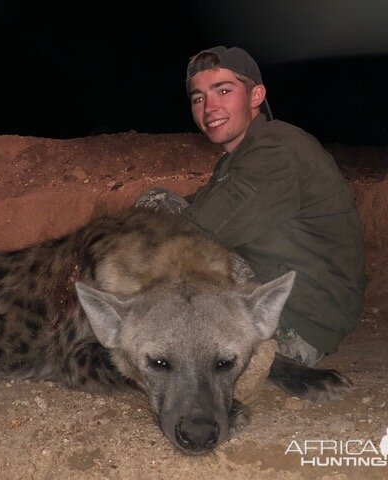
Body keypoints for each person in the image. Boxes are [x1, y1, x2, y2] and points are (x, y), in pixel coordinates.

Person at [137, 46, 365, 366]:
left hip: (294, 328)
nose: (209, 107)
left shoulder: (276, 149)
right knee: (157, 211)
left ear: (256, 95)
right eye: (198, 98)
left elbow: (193, 232)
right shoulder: (241, 157)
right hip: (297, 313)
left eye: (224, 91)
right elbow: (196, 211)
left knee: (157, 212)